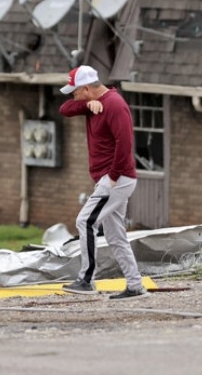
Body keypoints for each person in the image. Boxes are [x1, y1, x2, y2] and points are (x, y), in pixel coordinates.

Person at [58, 65, 147, 299]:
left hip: (116, 178)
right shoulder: (93, 105)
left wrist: (114, 177)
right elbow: (64, 109)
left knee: (85, 221)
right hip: (112, 178)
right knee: (115, 236)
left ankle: (86, 280)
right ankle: (135, 285)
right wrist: (86, 104)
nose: (72, 96)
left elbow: (125, 143)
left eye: (75, 92)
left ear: (86, 88)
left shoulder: (115, 105)